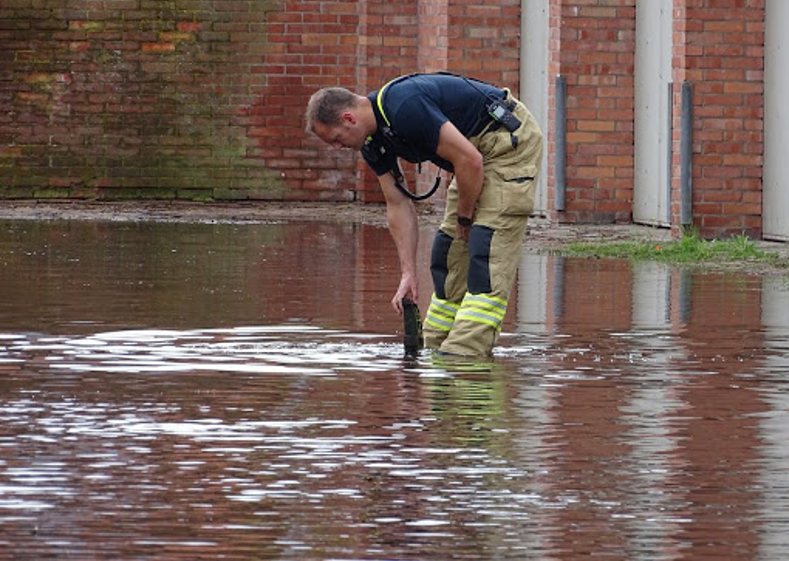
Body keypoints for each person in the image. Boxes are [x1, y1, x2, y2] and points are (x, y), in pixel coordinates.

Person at [305, 72, 543, 357]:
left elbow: (470, 161)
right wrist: (408, 273)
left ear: (348, 118)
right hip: (471, 157)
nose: (336, 148)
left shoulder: (404, 106)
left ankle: (464, 356)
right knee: (447, 250)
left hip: (507, 144)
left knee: (485, 248)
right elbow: (398, 205)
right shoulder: (372, 143)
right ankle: (434, 349)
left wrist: (465, 218)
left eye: (335, 139)